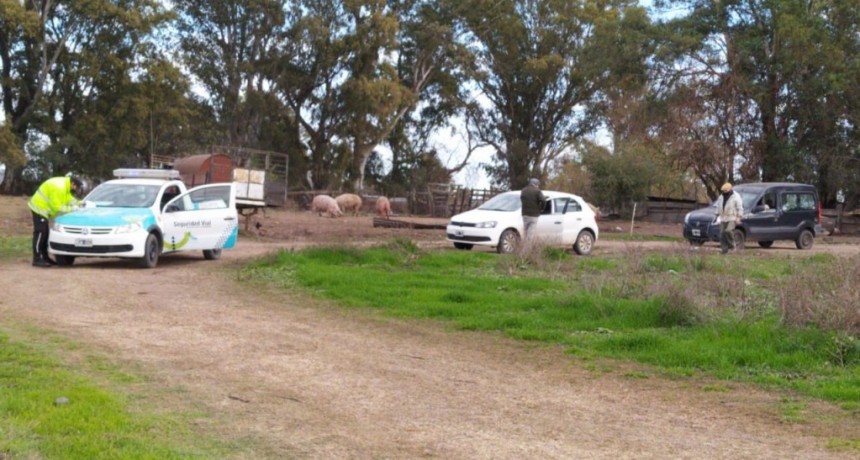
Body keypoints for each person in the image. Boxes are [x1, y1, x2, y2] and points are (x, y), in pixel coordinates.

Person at [28, 176, 82, 267]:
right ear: (73, 184)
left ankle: (45, 257)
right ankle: (36, 258)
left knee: (45, 234)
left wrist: (80, 203)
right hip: (39, 208)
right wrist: (72, 209)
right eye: (76, 187)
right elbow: (57, 207)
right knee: (40, 233)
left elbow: (69, 199)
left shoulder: (65, 186)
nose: (76, 190)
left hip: (43, 209)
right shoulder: (59, 188)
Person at [715, 182, 743, 254]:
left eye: (726, 190)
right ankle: (724, 250)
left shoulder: (736, 196)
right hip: (723, 217)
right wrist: (717, 215)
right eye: (723, 191)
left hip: (732, 217)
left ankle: (732, 247)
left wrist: (738, 217)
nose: (724, 192)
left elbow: (740, 207)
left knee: (728, 231)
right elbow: (718, 207)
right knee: (722, 233)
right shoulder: (721, 197)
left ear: (730, 189)